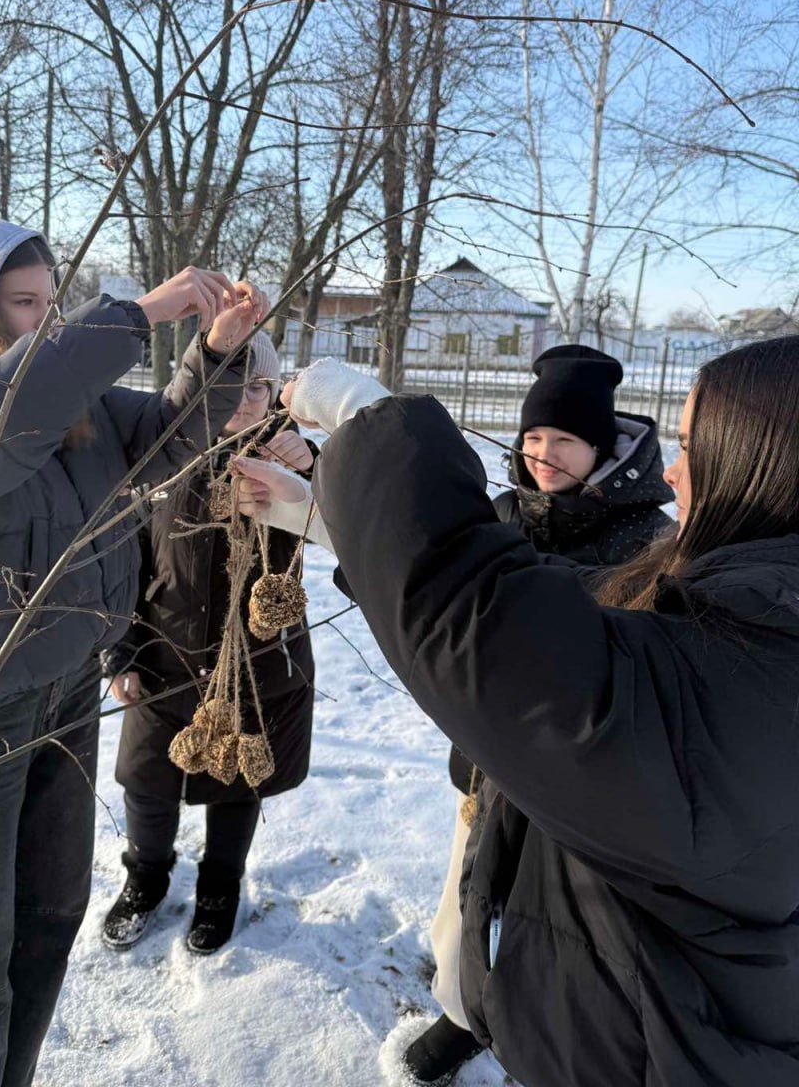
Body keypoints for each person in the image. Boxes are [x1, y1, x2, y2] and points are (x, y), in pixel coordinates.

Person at [237, 341, 799, 1087]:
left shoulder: (754, 646)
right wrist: (333, 522)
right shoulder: (749, 604)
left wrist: (379, 426)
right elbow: (571, 599)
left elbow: (503, 629)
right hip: (615, 1000)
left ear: (761, 460)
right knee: (468, 907)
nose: (673, 467)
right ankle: (470, 1009)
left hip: (652, 1049)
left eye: (694, 445)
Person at [0, 216, 266, 1087]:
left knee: (47, 918)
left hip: (69, 686)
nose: (42, 321)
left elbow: (162, 444)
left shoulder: (65, 392)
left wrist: (217, 356)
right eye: (23, 305)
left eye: (51, 304)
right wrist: (135, 315)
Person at [408, 345, 675, 1083]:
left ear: (601, 447)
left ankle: (532, 1024)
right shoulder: (504, 513)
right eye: (530, 441)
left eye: (560, 440)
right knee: (466, 890)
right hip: (487, 755)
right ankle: (462, 1014)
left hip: (582, 776)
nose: (541, 456)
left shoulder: (649, 538)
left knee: (550, 917)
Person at [100, 329, 318, 955]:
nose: (245, 400)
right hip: (162, 657)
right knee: (146, 779)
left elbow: (341, 517)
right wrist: (121, 651)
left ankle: (220, 888)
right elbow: (127, 560)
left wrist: (313, 466)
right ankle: (145, 879)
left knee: (238, 783)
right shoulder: (164, 454)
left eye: (259, 386)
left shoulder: (291, 457)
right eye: (232, 385)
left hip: (260, 667)